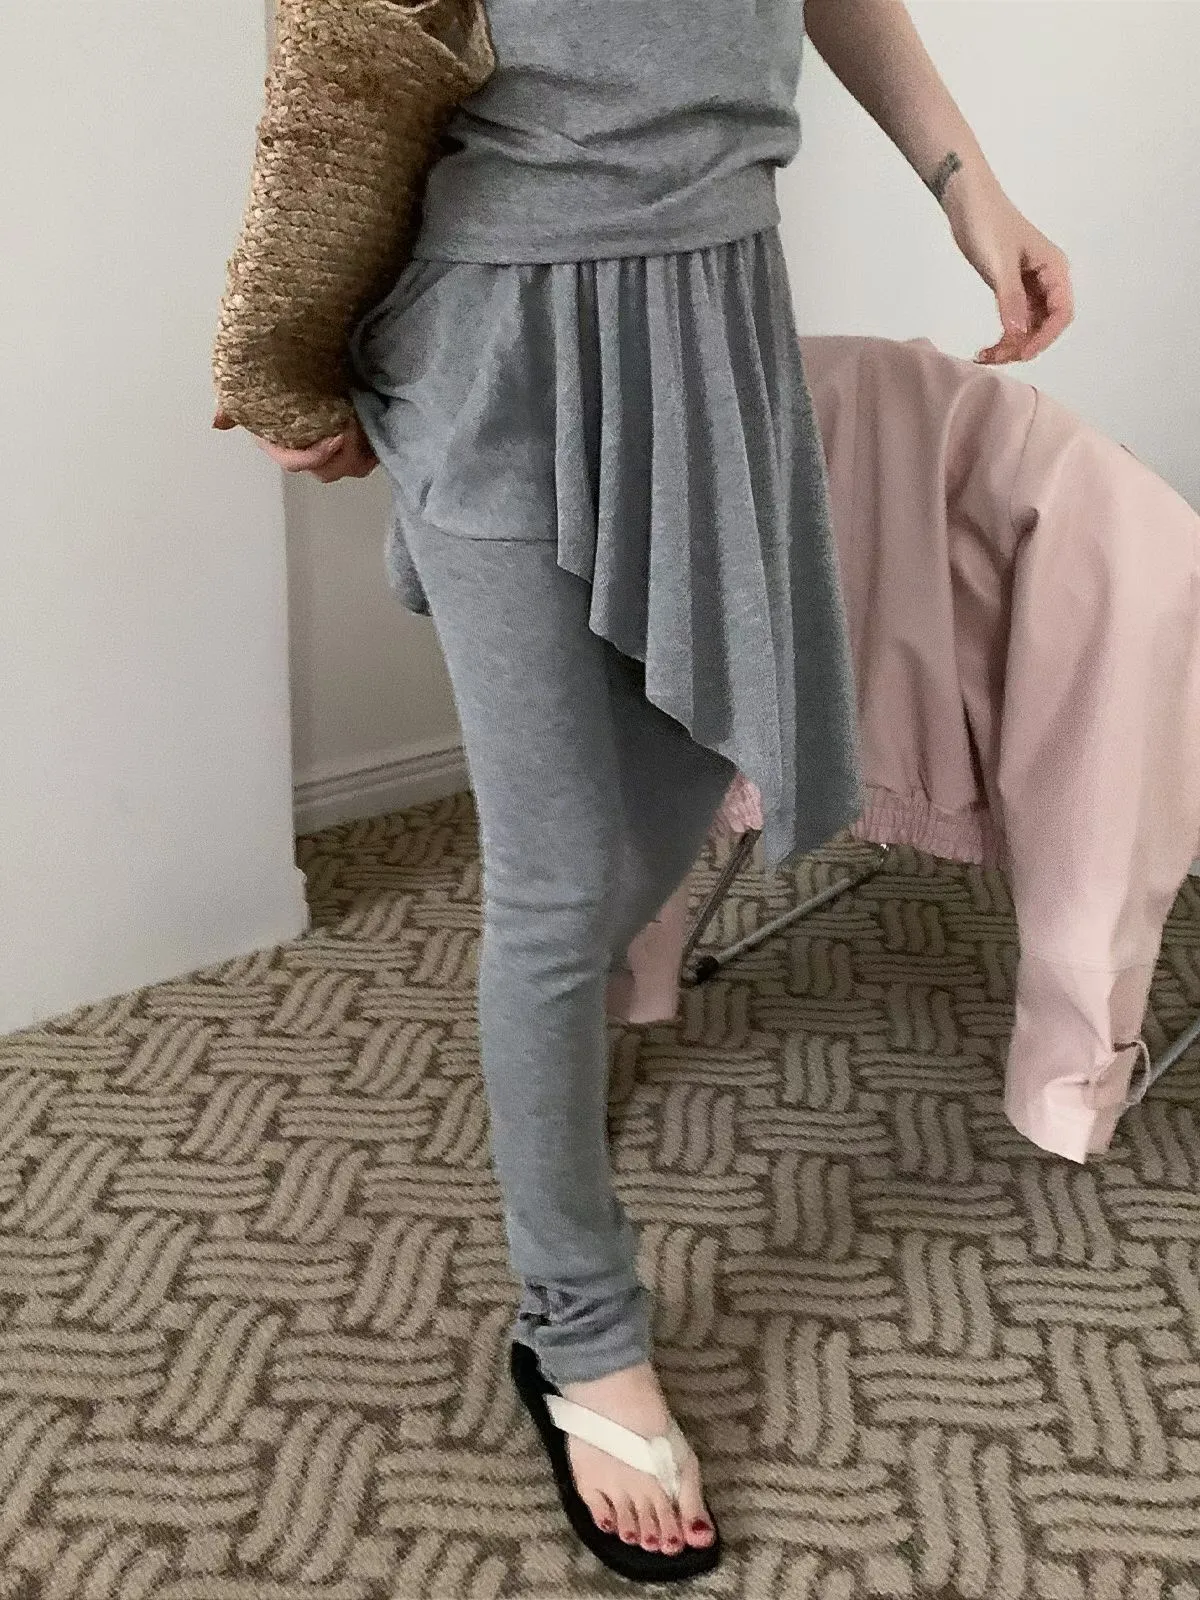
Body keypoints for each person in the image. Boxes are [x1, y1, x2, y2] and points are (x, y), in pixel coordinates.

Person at [248, 0, 1073, 1581]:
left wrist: (966, 185)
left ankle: (547, 1010)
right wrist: (290, 343)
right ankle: (579, 1328)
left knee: (695, 765)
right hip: (495, 320)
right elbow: (332, 71)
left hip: (716, 313)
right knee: (556, 880)